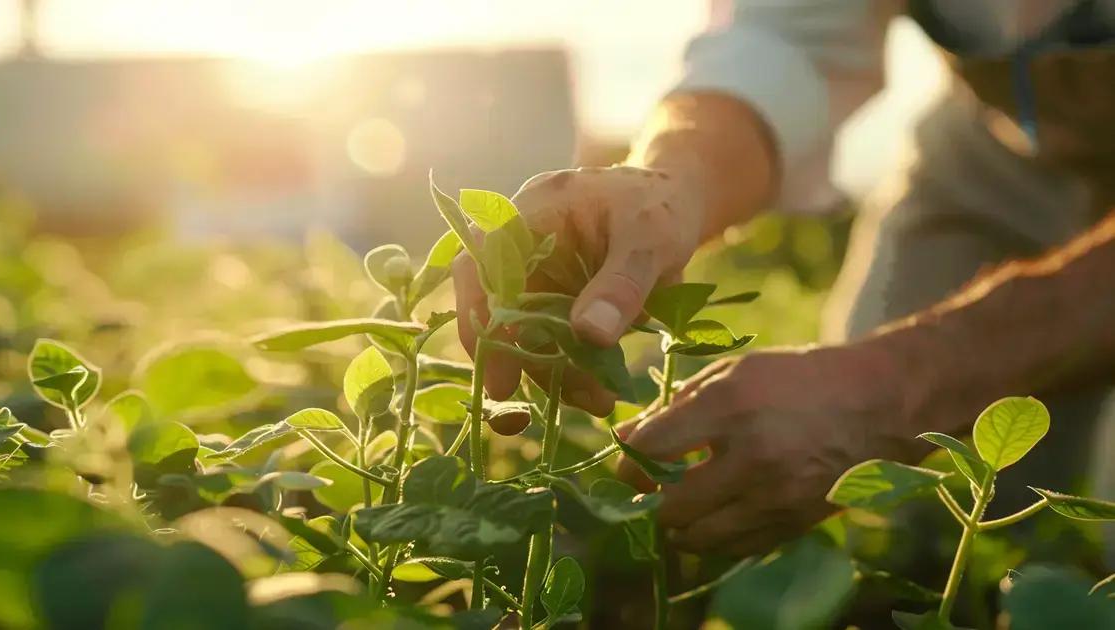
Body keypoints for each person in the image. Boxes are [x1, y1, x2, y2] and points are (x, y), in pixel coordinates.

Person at [453, 0, 1115, 559]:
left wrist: (895, 383)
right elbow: (788, 41)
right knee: (898, 522)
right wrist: (667, 184)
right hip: (994, 148)